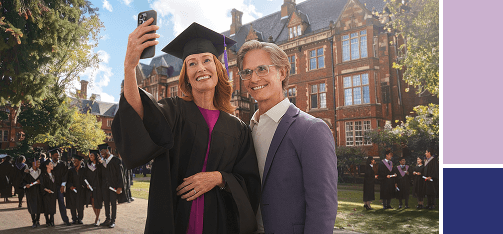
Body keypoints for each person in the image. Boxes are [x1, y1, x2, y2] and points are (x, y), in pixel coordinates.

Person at [112, 21, 261, 234]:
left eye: (206, 60)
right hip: (176, 220)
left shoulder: (238, 129)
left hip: (219, 223)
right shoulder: (174, 112)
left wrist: (219, 178)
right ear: (187, 76)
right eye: (191, 63)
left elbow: (250, 182)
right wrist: (130, 67)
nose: (200, 68)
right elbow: (140, 114)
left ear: (218, 69)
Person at [236, 40, 338, 234]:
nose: (254, 78)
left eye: (262, 69)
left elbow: (323, 207)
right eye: (247, 72)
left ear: (282, 72)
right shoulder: (246, 131)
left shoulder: (311, 130)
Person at [99, 143, 127, 228]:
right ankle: (107, 219)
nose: (101, 154)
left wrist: (120, 187)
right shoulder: (103, 162)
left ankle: (113, 221)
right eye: (100, 152)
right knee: (106, 203)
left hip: (114, 186)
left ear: (108, 151)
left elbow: (120, 175)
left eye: (103, 152)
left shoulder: (116, 160)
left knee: (113, 203)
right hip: (105, 186)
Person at [49, 148, 72, 226]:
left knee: (62, 203)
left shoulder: (62, 164)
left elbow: (65, 175)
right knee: (51, 203)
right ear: (52, 156)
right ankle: (51, 220)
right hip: (51, 187)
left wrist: (63, 185)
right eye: (56, 155)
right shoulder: (47, 163)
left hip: (59, 186)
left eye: (58, 155)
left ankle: (65, 219)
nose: (58, 157)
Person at [66, 154, 87, 224]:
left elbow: (86, 179)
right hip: (72, 190)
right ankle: (74, 218)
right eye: (74, 161)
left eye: (76, 161)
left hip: (81, 190)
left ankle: (80, 218)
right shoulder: (70, 170)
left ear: (80, 161)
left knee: (80, 204)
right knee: (73, 204)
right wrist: (70, 186)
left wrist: (84, 185)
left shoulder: (84, 170)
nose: (74, 162)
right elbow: (68, 180)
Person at [85, 149, 103, 226]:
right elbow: (85, 176)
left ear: (95, 156)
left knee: (98, 202)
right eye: (90, 155)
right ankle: (97, 217)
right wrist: (87, 184)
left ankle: (97, 218)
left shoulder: (100, 166)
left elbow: (103, 177)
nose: (90, 157)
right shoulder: (88, 165)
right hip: (91, 186)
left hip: (99, 186)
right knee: (92, 202)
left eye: (92, 155)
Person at [23, 158, 44, 228]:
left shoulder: (40, 171)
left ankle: (38, 220)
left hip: (38, 191)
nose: (39, 164)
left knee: (38, 206)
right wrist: (26, 185)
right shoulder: (27, 172)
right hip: (30, 192)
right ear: (33, 163)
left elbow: (44, 181)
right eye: (38, 162)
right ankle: (33, 221)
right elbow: (23, 181)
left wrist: (41, 182)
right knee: (32, 206)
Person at [40, 159, 57, 227]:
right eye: (50, 164)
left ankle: (52, 220)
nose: (52, 165)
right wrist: (47, 190)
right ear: (47, 165)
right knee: (46, 207)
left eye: (52, 164)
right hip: (46, 194)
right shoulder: (43, 175)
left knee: (53, 207)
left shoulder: (53, 174)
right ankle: (47, 220)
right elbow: (42, 185)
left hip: (53, 193)